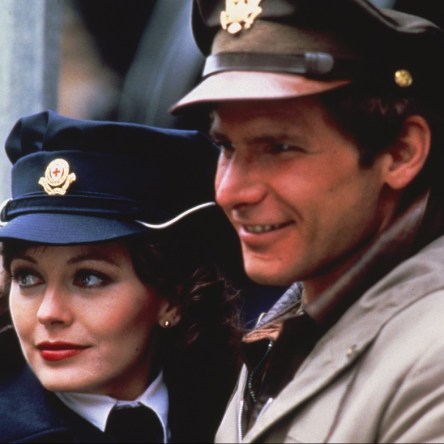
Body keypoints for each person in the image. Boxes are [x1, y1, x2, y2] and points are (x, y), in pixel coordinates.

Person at [171, 0, 444, 442]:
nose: (231, 192)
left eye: (279, 148)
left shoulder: (431, 358)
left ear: (401, 153)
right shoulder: (300, 320)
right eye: (226, 147)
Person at [0, 110, 243, 443]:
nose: (48, 313)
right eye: (27, 278)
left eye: (88, 278)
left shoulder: (243, 408)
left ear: (173, 298)